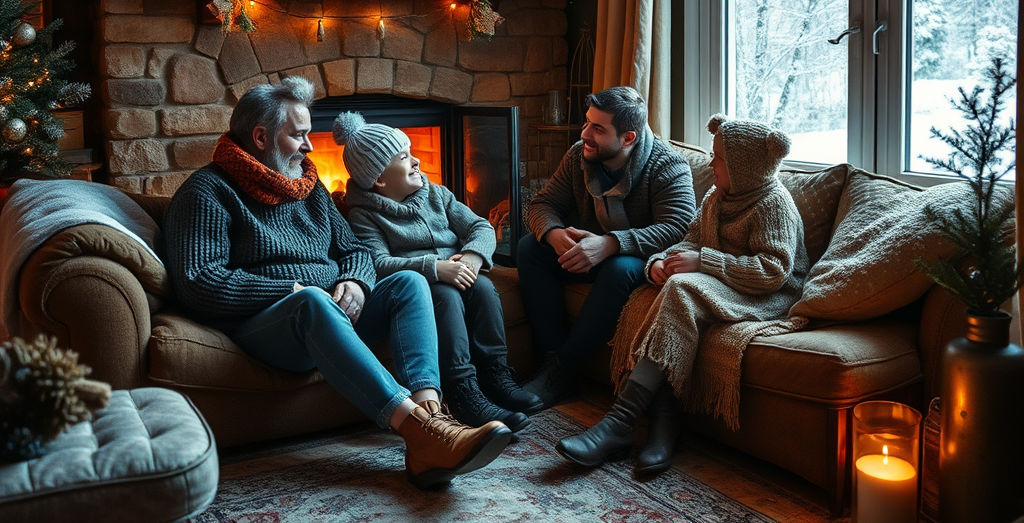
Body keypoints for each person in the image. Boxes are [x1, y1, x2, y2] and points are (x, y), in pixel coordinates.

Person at [163, 77, 511, 490]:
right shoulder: (207, 192)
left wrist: (357, 283)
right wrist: (289, 291)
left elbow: (356, 252)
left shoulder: (308, 188)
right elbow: (200, 282)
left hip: (334, 308)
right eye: (299, 135)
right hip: (269, 325)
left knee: (406, 283)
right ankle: (416, 430)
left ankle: (431, 420)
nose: (310, 146)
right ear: (260, 137)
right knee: (311, 300)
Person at [557, 113, 809, 475]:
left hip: (767, 293)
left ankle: (619, 422)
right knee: (652, 292)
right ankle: (663, 424)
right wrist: (659, 262)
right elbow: (687, 241)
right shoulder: (716, 196)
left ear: (744, 166)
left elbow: (772, 272)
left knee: (681, 289)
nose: (711, 163)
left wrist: (703, 261)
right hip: (727, 281)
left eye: (718, 158)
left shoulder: (773, 204)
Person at [333, 112, 543, 433]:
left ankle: (495, 374)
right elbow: (378, 262)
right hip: (424, 284)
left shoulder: (437, 194)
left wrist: (472, 257)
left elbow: (479, 226)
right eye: (403, 157)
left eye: (413, 151)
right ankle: (461, 389)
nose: (416, 160)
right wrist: (435, 268)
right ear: (379, 179)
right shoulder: (364, 215)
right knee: (444, 295)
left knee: (484, 288)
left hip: (460, 270)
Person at [517, 86, 697, 409]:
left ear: (628, 138)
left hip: (641, 263)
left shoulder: (669, 167)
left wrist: (612, 244)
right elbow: (541, 205)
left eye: (598, 129)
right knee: (530, 247)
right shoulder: (578, 156)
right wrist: (555, 234)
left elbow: (678, 229)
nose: (585, 133)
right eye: (587, 123)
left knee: (618, 268)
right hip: (590, 251)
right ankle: (549, 362)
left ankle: (563, 371)